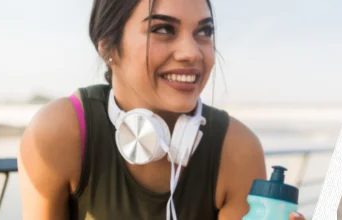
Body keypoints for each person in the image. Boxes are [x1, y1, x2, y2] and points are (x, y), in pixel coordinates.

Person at [16, 0, 304, 219]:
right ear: (107, 47)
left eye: (204, 31)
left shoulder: (237, 149)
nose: (191, 52)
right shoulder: (60, 132)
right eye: (163, 29)